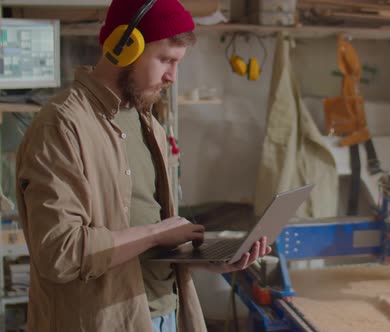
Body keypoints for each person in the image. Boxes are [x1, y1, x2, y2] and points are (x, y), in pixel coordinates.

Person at [15, 0, 271, 331]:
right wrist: (156, 234)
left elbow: (145, 229)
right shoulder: (62, 125)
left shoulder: (148, 124)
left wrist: (206, 260)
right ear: (124, 48)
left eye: (177, 62)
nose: (172, 76)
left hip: (167, 312)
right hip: (104, 321)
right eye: (165, 60)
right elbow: (59, 253)